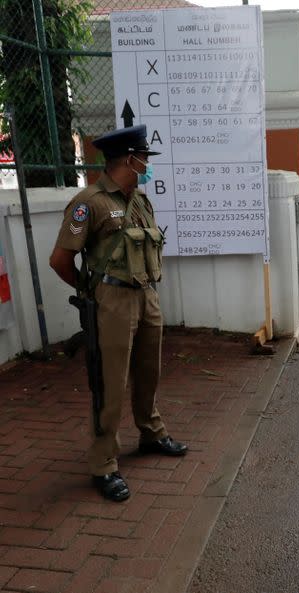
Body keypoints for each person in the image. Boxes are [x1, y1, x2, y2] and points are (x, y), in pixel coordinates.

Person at [49, 125, 187, 502]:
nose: (146, 164)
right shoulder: (88, 203)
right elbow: (60, 259)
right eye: (143, 158)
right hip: (111, 299)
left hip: (146, 295)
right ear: (129, 158)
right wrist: (89, 290)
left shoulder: (141, 200)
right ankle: (104, 463)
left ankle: (151, 431)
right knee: (110, 382)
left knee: (149, 370)